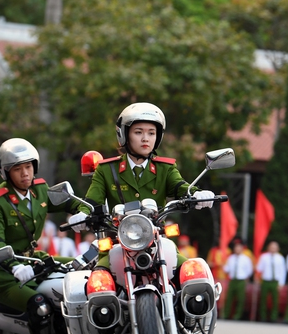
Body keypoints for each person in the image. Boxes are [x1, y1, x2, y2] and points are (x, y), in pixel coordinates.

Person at [67, 102, 215, 273]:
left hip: (158, 241)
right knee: (98, 284)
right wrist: (83, 214)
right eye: (138, 132)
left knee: (194, 274)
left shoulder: (165, 168)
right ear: (124, 135)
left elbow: (181, 187)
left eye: (151, 133)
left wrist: (198, 194)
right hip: (117, 243)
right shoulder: (107, 169)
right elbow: (92, 200)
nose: (146, 138)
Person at [0, 138, 80, 334]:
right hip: (5, 273)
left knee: (81, 268)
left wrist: (85, 214)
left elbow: (74, 203)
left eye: (28, 166)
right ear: (6, 172)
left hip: (35, 261)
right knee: (40, 306)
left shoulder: (40, 190)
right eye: (17, 168)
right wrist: (14, 266)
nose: (25, 173)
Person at [255, 241, 286, 322]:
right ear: (268, 248)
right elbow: (259, 269)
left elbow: (282, 271)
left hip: (275, 281)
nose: (273, 249)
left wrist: (281, 283)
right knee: (263, 300)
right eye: (271, 247)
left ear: (278, 249)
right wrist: (257, 277)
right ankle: (263, 316)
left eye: (274, 247)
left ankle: (273, 317)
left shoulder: (280, 258)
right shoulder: (264, 257)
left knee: (275, 300)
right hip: (265, 281)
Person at [222, 241, 254, 320]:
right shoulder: (231, 258)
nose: (237, 249)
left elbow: (249, 270)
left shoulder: (246, 259)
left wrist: (246, 276)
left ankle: (238, 315)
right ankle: (226, 314)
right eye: (236, 248)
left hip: (241, 280)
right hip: (232, 280)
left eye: (239, 248)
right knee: (229, 298)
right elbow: (227, 269)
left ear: (242, 249)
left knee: (240, 298)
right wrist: (223, 266)